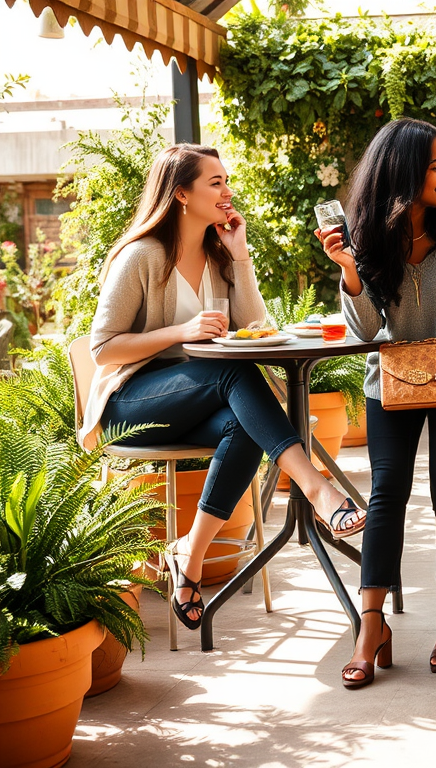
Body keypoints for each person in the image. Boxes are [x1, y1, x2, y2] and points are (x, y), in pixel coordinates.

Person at [84, 143, 366, 633]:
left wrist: (240, 259)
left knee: (243, 424)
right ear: (180, 195)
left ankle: (189, 556)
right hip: (130, 403)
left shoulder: (217, 256)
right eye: (215, 182)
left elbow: (256, 329)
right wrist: (181, 332)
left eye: (225, 180)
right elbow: (103, 348)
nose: (227, 191)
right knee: (232, 375)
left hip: (199, 398)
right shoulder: (141, 257)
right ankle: (316, 486)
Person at [319, 118, 436, 689]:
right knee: (387, 491)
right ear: (404, 173)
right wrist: (350, 272)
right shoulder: (365, 233)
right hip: (394, 381)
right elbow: (367, 330)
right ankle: (371, 624)